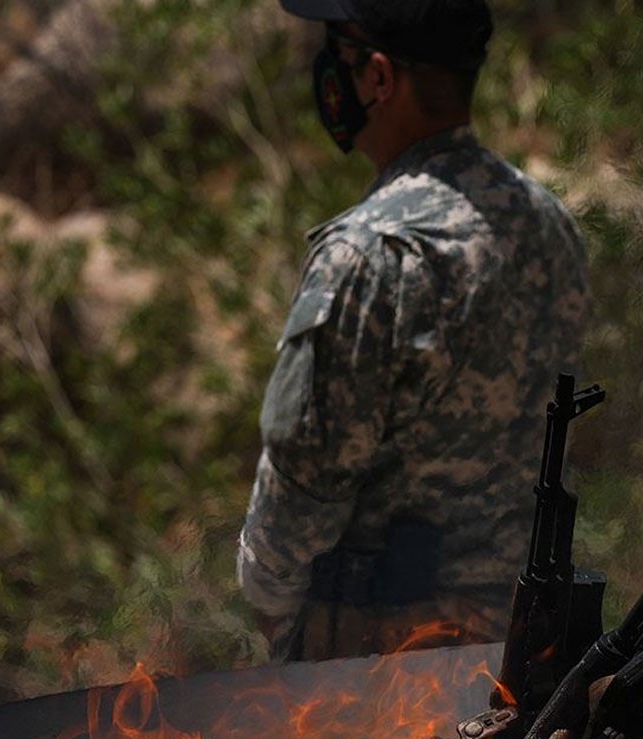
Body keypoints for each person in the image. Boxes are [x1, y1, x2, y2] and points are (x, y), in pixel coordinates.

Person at [238, 0, 591, 661]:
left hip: (374, 674)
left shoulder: (369, 252)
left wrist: (274, 612)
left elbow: (304, 481)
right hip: (516, 651)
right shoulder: (550, 227)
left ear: (377, 78)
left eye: (335, 50)